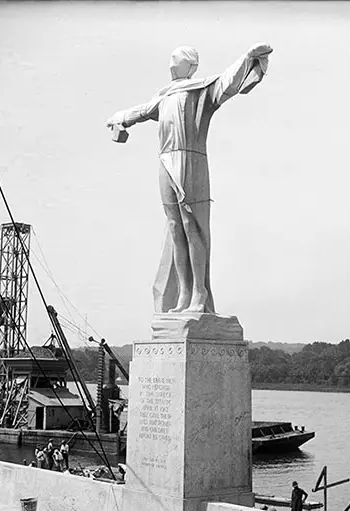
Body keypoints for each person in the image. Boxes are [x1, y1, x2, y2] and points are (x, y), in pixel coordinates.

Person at [106, 43, 273, 314]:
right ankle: (184, 292)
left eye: (178, 59)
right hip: (165, 159)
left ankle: (199, 292)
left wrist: (247, 58)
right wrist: (119, 117)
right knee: (175, 228)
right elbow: (142, 110)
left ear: (191, 66)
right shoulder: (164, 96)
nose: (172, 63)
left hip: (190, 159)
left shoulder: (200, 90)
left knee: (190, 224)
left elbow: (227, 82)